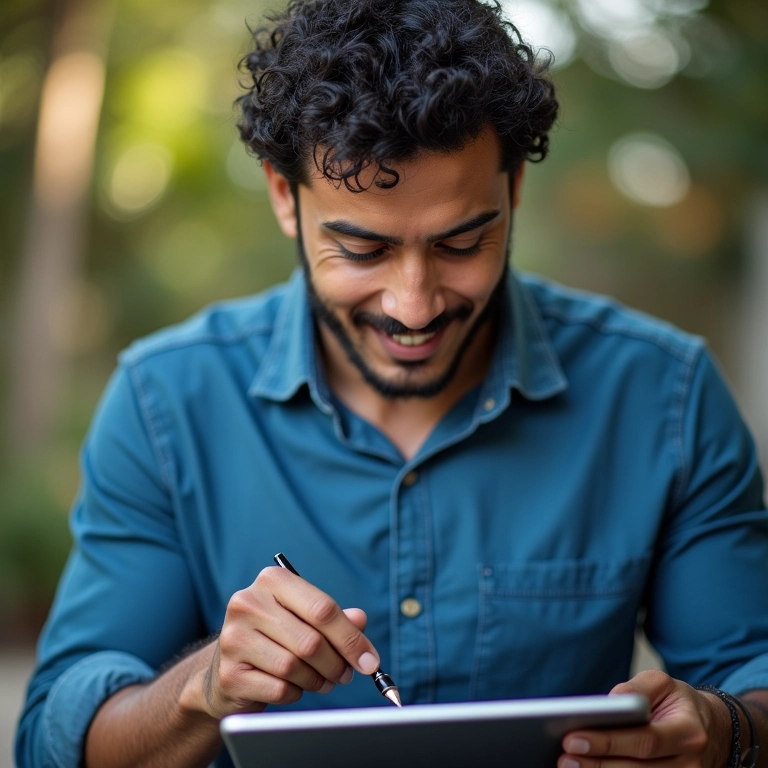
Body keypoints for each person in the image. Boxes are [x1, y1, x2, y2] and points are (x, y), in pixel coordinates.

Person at [15, 0, 768, 766]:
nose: (414, 305)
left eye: (461, 242)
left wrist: (726, 731)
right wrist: (203, 688)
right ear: (284, 196)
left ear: (514, 189)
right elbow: (51, 740)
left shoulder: (663, 397)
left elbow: (754, 678)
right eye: (363, 249)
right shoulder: (164, 402)